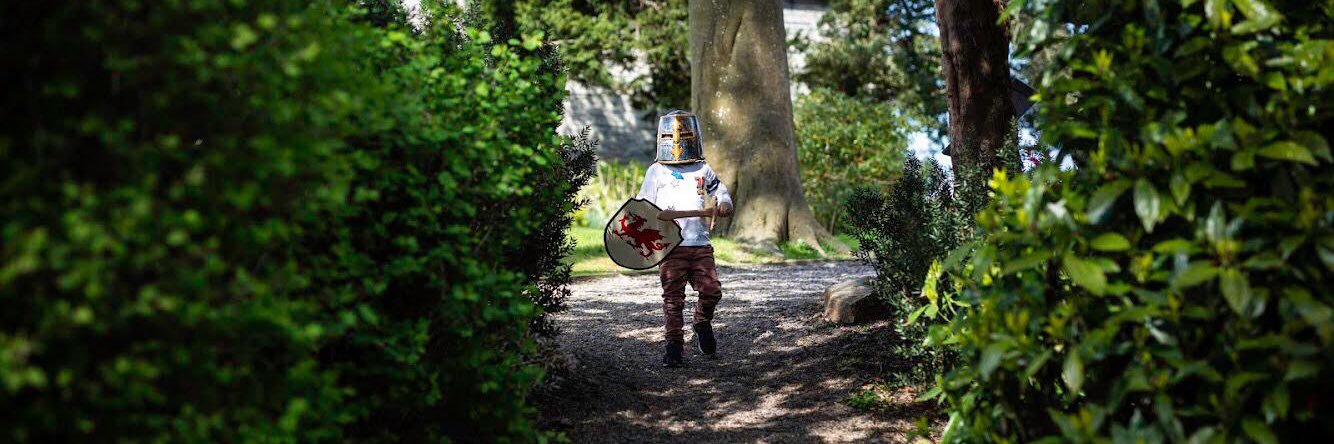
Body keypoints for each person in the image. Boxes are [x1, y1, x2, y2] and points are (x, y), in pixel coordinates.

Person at [635, 110, 734, 368]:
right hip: (670, 248)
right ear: (662, 137)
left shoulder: (703, 168)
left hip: (700, 245)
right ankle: (674, 345)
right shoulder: (656, 171)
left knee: (712, 290)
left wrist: (723, 202)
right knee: (673, 299)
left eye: (684, 134)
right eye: (671, 135)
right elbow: (642, 208)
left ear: (694, 136)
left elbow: (720, 191)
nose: (678, 140)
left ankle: (701, 321)